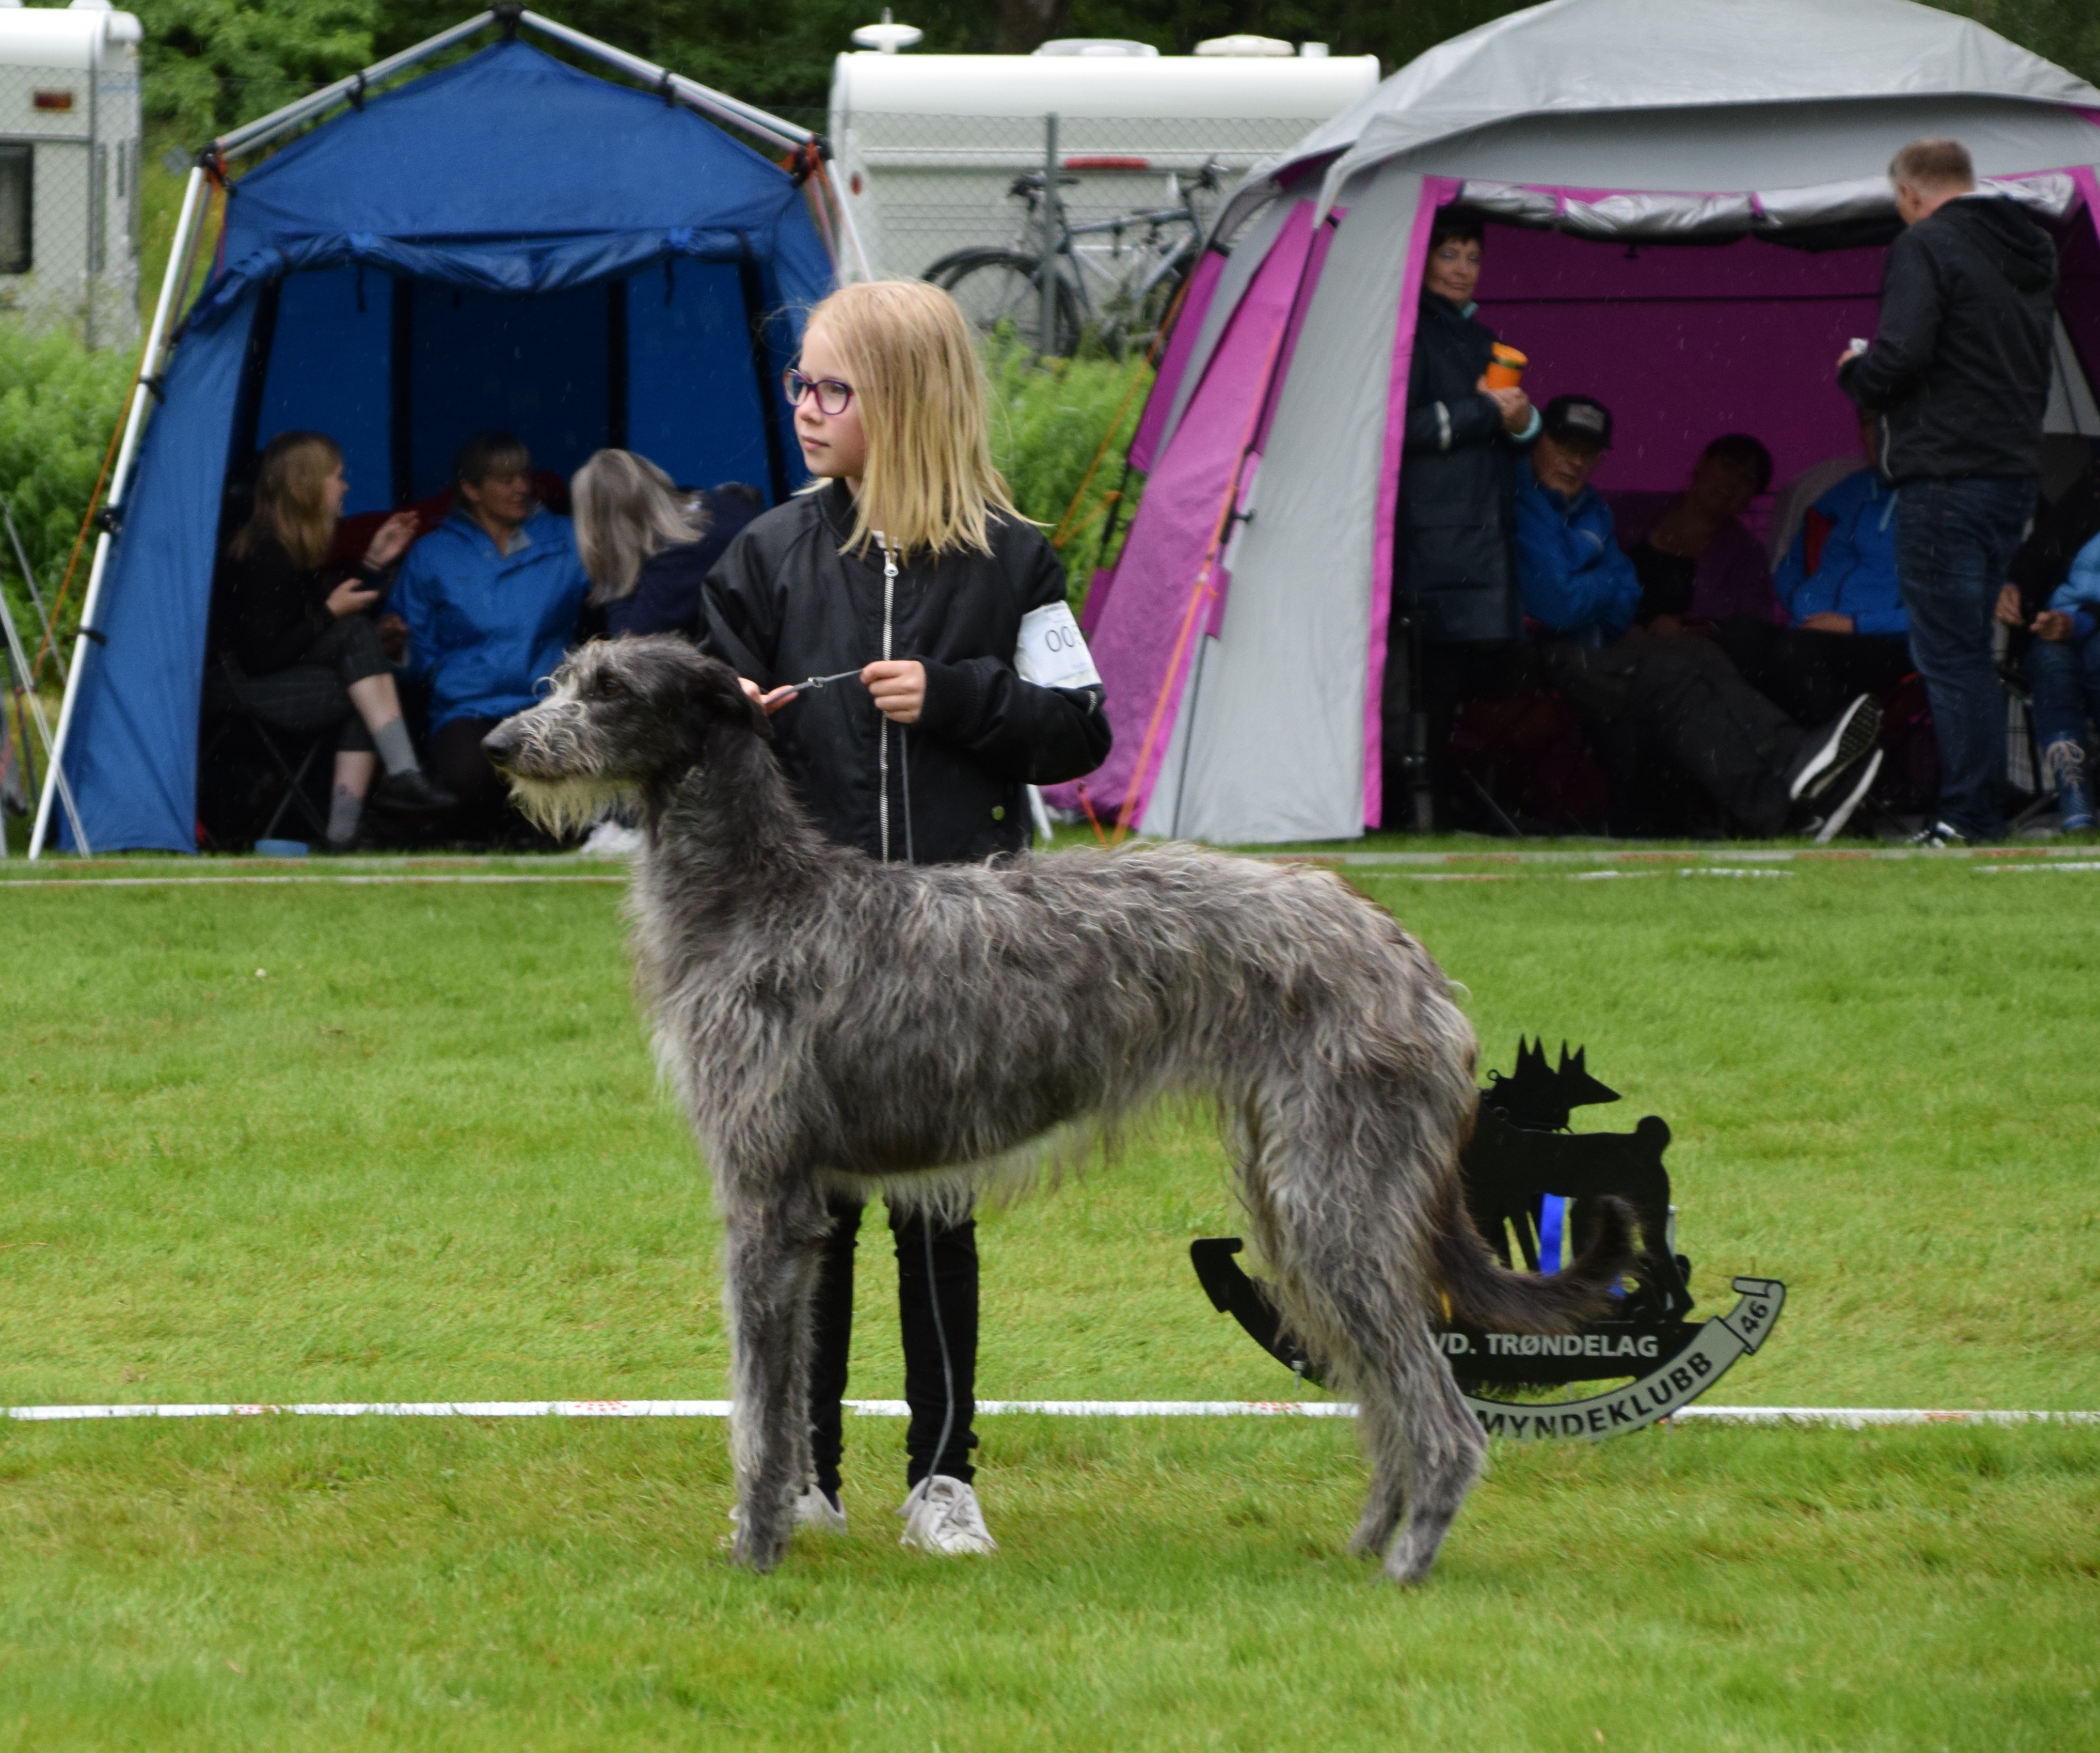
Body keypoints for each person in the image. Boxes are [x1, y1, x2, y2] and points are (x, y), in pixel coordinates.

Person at [700, 280, 1112, 1553]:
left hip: (962, 935)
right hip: (800, 947)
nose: (806, 409)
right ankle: (807, 1476)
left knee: (939, 1208)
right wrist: (731, 725)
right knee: (799, 1204)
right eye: (800, 386)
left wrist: (964, 695)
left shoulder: (1016, 559)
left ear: (909, 400)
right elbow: (697, 729)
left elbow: (1080, 728)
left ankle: (943, 1478)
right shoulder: (764, 553)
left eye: (832, 389)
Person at [1514, 396, 1883, 840]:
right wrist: (1603, 592)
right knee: (1675, 678)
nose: (1575, 461)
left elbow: (1626, 592)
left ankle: (1796, 765)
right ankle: (1786, 797)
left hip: (1602, 643)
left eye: (1588, 451)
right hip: (1533, 652)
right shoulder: (1530, 499)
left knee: (1696, 654)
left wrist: (1601, 595)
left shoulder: (1592, 507)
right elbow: (1560, 602)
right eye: (1564, 445)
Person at [1838, 136, 2058, 847]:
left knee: (1951, 653)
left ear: (1908, 194)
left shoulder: (1925, 244)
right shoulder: (2032, 247)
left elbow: (1902, 354)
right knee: (1976, 653)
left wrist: (1856, 372)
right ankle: (1980, 808)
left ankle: (1967, 815)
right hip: (2012, 477)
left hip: (1946, 478)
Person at [211, 430, 454, 849]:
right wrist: (330, 613)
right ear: (307, 485)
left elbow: (312, 622)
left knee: (364, 682)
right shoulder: (266, 554)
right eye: (337, 477)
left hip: (274, 672)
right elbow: (262, 657)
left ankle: (353, 824)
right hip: (241, 684)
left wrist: (373, 562)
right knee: (360, 667)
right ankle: (384, 792)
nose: (346, 487)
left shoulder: (293, 547)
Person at [1385, 209, 1538, 828]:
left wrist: (1523, 421)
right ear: (1423, 260)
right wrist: (1482, 413)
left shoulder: (1481, 338)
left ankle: (1445, 796)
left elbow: (1509, 432)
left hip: (1478, 534)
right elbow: (1400, 426)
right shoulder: (1411, 331)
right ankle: (1417, 803)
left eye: (1473, 257)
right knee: (1429, 679)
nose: (1463, 270)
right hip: (1432, 537)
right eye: (1450, 255)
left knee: (1456, 677)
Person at [385, 431, 592, 839]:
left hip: (548, 703)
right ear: (470, 489)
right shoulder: (432, 554)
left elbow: (620, 595)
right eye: (506, 479)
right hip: (467, 709)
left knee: (555, 798)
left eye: (524, 476)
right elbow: (416, 660)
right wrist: (395, 648)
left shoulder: (571, 540)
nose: (522, 488)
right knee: (469, 781)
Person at [1718, 408, 1914, 728]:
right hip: (1820, 632)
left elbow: (1948, 611)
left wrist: (1854, 625)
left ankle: (1837, 761)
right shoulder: (1848, 490)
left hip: (1894, 641)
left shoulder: (1942, 500)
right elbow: (1791, 563)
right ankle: (1774, 753)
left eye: (1887, 420)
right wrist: (1807, 608)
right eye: (1866, 421)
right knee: (1740, 636)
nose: (1875, 433)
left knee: (1796, 652)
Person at [570, 449, 763, 641]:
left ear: (602, 529)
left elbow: (631, 651)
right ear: (654, 479)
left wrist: (613, 580)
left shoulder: (680, 562)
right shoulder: (720, 506)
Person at [1609, 434, 1779, 629]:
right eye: (1728, 467)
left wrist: (1703, 629)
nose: (1732, 483)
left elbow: (1754, 628)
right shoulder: (1626, 512)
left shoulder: (1747, 557)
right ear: (1702, 463)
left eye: (1747, 480)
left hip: (1677, 655)